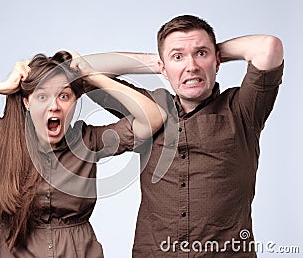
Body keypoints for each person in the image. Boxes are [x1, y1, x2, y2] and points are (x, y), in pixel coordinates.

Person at [0, 51, 166, 257]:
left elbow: (153, 117)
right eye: (41, 96)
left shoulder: (88, 141)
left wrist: (94, 77)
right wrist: (3, 87)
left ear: (74, 101)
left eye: (64, 96)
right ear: (27, 102)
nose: (54, 105)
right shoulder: (1, 135)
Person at [87, 15, 284, 257]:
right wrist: (159, 62)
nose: (191, 66)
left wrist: (201, 53)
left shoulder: (242, 109)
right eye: (178, 57)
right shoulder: (148, 110)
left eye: (201, 54)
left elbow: (269, 47)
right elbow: (83, 70)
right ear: (163, 69)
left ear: (218, 61)